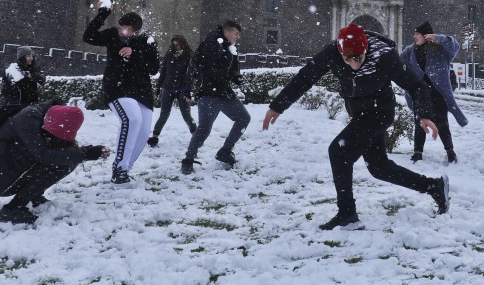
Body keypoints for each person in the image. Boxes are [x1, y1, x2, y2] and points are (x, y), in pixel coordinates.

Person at [262, 23, 449, 231]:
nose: (353, 64)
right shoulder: (332, 52)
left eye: (358, 58)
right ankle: (434, 186)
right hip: (360, 113)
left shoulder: (384, 57)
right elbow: (306, 77)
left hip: (380, 112)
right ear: (340, 52)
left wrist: (424, 114)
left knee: (339, 151)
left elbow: (416, 85)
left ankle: (347, 213)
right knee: (380, 168)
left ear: (365, 49)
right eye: (347, 59)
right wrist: (278, 106)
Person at [0, 102, 108, 224]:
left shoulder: (43, 117)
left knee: (65, 160)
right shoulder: (28, 120)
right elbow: (44, 155)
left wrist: (88, 152)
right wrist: (84, 153)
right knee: (60, 162)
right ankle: (12, 209)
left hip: (8, 169)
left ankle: (34, 195)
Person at [83, 2, 160, 184]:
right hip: (118, 88)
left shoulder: (147, 42)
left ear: (136, 32)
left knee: (142, 132)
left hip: (142, 92)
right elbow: (89, 37)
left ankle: (125, 169)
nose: (121, 32)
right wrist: (102, 15)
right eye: (120, 28)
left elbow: (154, 69)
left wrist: (135, 55)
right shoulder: (112, 35)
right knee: (132, 119)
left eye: (126, 30)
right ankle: (119, 168)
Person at [181, 20, 251, 174]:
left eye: (238, 34)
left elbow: (232, 70)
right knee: (204, 129)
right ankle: (188, 160)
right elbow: (197, 66)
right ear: (226, 32)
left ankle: (225, 152)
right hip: (209, 94)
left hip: (224, 93)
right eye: (235, 34)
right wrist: (188, 88)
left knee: (243, 119)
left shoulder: (230, 48)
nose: (237, 37)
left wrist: (236, 77)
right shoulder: (212, 44)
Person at [400, 22, 468, 163]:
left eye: (417, 34)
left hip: (438, 94)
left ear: (426, 36)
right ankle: (418, 152)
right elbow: (398, 63)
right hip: (419, 93)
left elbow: (455, 45)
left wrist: (439, 38)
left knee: (442, 123)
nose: (414, 37)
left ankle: (450, 152)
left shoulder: (441, 50)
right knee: (419, 123)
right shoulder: (410, 51)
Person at [147, 35, 198, 147]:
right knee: (163, 115)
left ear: (183, 44)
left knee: (186, 115)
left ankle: (196, 135)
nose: (176, 46)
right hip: (167, 88)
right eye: (174, 44)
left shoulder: (189, 57)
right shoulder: (169, 55)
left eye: (178, 44)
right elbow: (163, 72)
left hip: (182, 90)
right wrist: (158, 89)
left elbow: (190, 76)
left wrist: (188, 92)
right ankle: (154, 137)